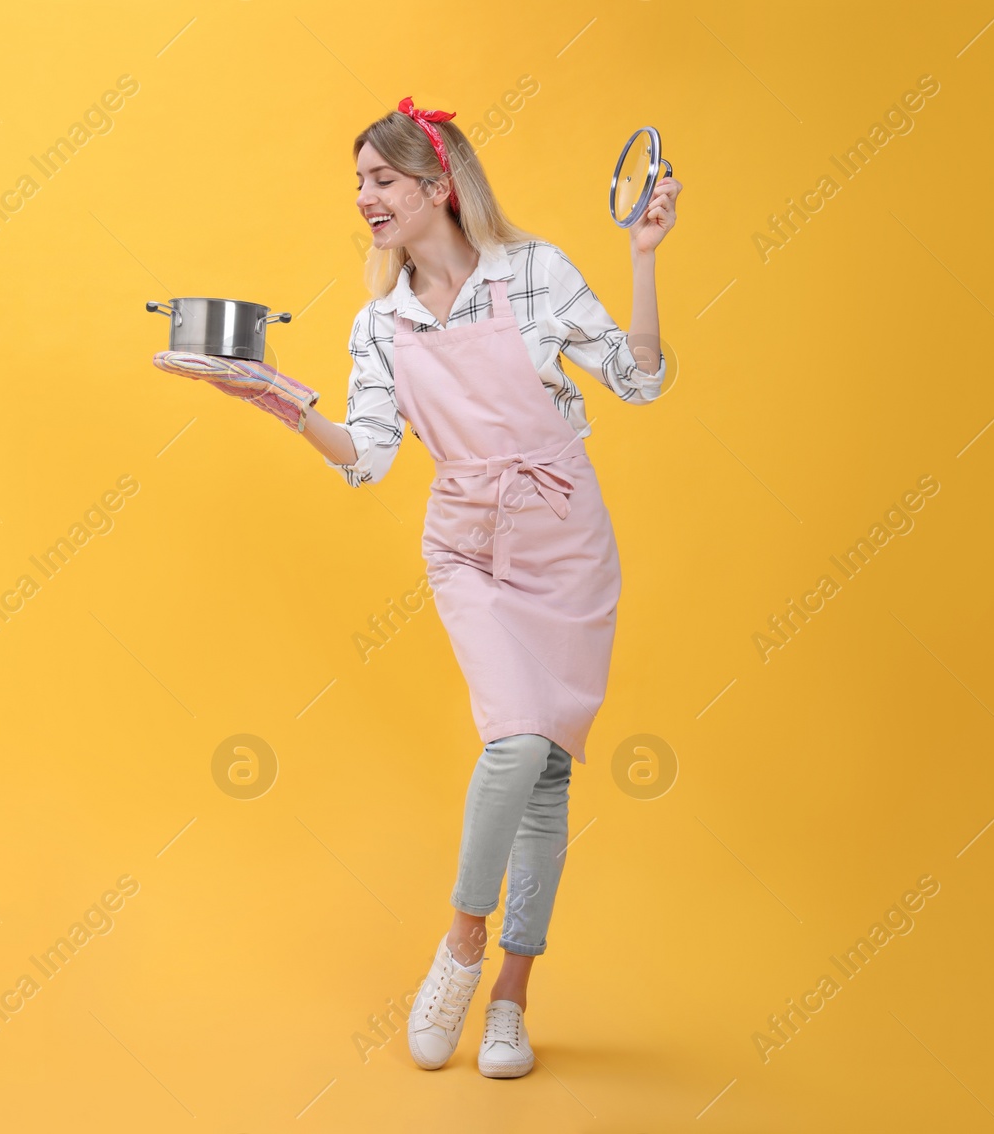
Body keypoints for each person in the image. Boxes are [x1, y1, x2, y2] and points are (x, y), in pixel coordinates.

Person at [305, 97, 680, 1077]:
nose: (363, 199)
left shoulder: (534, 273)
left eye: (380, 181)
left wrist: (643, 258)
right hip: (467, 543)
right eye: (358, 184)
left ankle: (511, 998)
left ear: (438, 188)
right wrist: (282, 401)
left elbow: (636, 383)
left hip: (564, 540)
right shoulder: (379, 322)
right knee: (514, 741)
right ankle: (462, 946)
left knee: (547, 775)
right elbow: (369, 458)